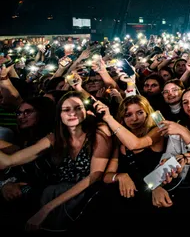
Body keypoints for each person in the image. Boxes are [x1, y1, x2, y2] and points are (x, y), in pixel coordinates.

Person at [0, 91, 112, 231]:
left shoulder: (99, 131)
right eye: (66, 110)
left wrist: (47, 208)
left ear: (86, 111)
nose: (72, 113)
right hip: (57, 194)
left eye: (78, 108)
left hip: (87, 198)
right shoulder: (55, 137)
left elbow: (94, 176)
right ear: (59, 114)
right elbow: (9, 161)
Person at [99, 95, 165, 199]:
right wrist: (120, 176)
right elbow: (107, 176)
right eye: (128, 115)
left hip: (153, 194)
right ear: (122, 118)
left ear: (147, 113)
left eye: (140, 113)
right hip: (128, 195)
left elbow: (135, 144)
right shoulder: (120, 140)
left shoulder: (157, 130)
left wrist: (108, 118)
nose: (134, 119)